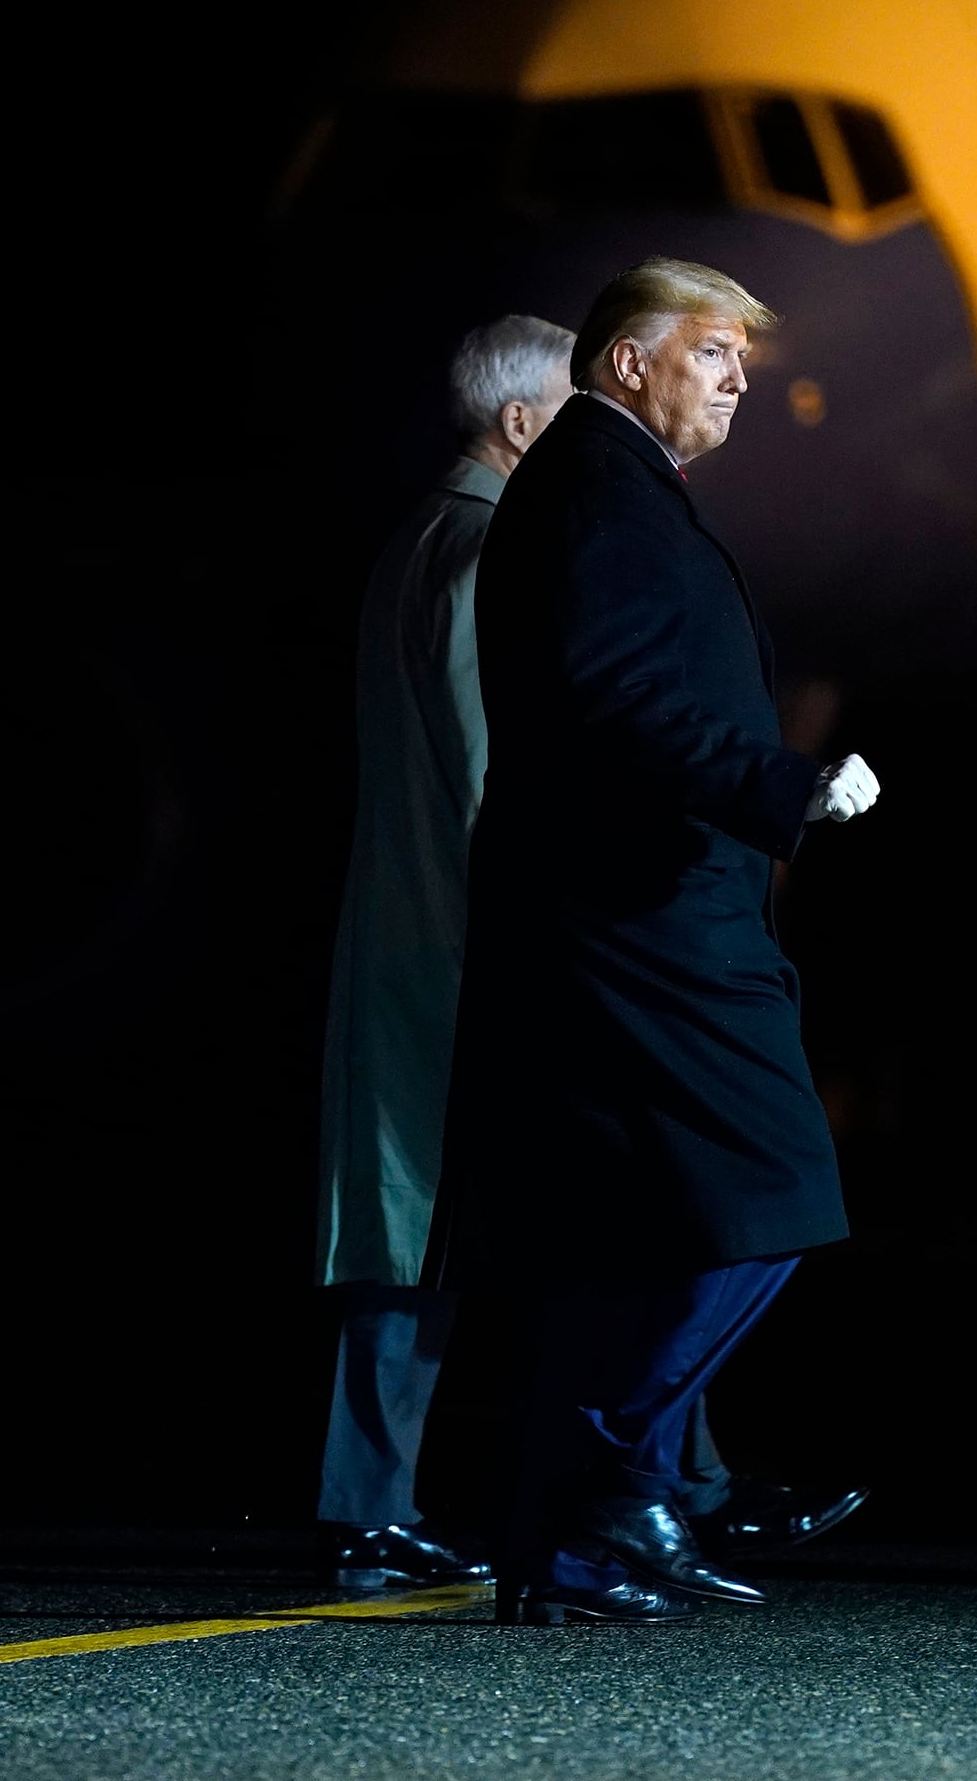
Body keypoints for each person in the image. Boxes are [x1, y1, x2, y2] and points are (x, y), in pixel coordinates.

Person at [436, 258, 884, 1626]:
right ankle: (617, 1481)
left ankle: (583, 1535)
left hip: (630, 902)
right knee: (776, 1185)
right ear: (630, 362)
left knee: (632, 1227)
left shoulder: (607, 487)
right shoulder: (599, 492)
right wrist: (780, 784)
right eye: (713, 353)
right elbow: (616, 692)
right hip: (639, 913)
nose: (741, 378)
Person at [314, 313, 574, 1594]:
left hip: (404, 922)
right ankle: (377, 1505)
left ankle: (378, 1500)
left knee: (410, 1218)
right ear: (520, 424)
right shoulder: (483, 550)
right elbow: (488, 776)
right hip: (461, 934)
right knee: (428, 1226)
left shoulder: (415, 538)